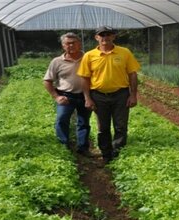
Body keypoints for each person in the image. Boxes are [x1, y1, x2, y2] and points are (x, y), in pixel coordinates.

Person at [77, 26, 140, 164]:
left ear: (113, 37)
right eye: (102, 35)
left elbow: (132, 74)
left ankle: (118, 153)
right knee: (103, 127)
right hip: (98, 96)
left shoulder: (124, 52)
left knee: (120, 126)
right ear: (97, 37)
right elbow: (85, 78)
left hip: (121, 95)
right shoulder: (89, 55)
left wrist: (133, 95)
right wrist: (87, 98)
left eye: (108, 34)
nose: (105, 37)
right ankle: (106, 154)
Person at [43, 32, 92, 156]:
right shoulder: (57, 61)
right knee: (61, 120)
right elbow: (47, 81)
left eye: (73, 43)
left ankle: (83, 148)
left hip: (85, 95)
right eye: (67, 43)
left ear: (79, 43)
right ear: (63, 46)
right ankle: (63, 146)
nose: (71, 45)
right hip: (66, 96)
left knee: (84, 122)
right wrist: (56, 96)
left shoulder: (89, 58)